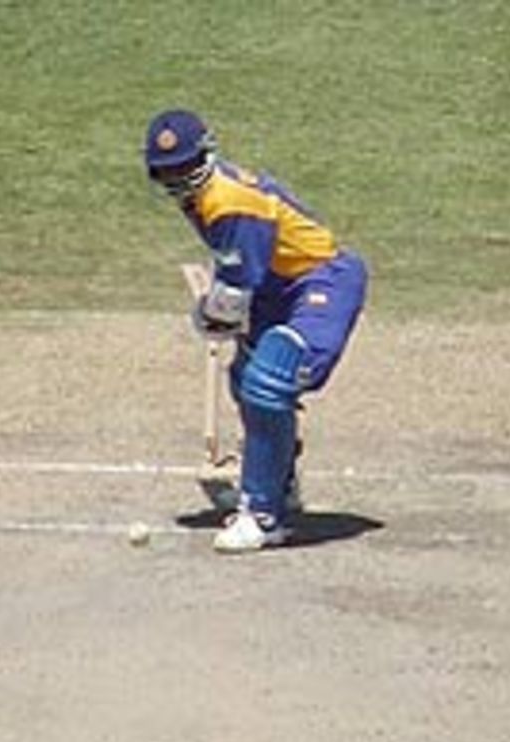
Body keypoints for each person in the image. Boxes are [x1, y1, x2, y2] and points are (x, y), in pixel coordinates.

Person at [144, 108, 368, 554]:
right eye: (166, 171)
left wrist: (214, 313)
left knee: (271, 378)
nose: (176, 177)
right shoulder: (204, 195)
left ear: (205, 156)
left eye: (184, 166)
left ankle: (262, 516)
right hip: (279, 284)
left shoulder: (227, 200)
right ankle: (278, 482)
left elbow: (237, 284)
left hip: (321, 280)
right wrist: (219, 310)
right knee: (248, 380)